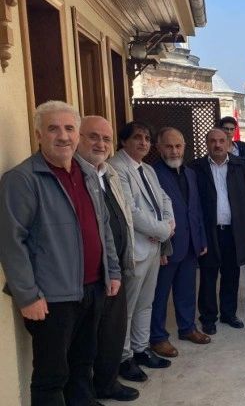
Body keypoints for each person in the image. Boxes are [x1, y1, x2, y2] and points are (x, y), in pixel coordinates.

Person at [0, 101, 121, 405]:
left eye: (69, 128)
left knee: (83, 362)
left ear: (77, 134)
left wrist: (112, 270)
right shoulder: (22, 179)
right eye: (53, 128)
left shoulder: (88, 175)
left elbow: (103, 227)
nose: (63, 136)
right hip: (52, 297)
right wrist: (27, 295)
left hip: (93, 288)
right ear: (38, 134)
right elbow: (11, 241)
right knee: (51, 375)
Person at [76, 116, 138, 402]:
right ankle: (83, 394)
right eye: (93, 137)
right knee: (85, 340)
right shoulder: (74, 174)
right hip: (87, 272)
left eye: (106, 139)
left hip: (114, 268)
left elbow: (120, 217)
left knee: (113, 331)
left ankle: (107, 383)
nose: (101, 144)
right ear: (78, 138)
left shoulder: (108, 172)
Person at [109, 121, 175, 382]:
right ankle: (123, 357)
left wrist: (167, 224)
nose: (143, 143)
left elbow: (164, 199)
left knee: (146, 303)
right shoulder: (117, 168)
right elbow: (130, 210)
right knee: (128, 307)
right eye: (137, 137)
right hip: (135, 248)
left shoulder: (147, 169)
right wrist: (163, 230)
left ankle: (140, 348)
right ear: (124, 141)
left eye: (147, 138)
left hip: (153, 245)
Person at [190, 128, 245, 334]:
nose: (217, 145)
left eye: (221, 141)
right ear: (207, 143)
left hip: (234, 231)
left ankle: (229, 314)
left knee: (232, 274)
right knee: (208, 276)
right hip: (209, 232)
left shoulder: (241, 165)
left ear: (228, 142)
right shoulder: (195, 168)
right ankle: (208, 317)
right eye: (213, 141)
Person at [150, 127, 210, 358]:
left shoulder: (190, 173)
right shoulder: (152, 174)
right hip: (168, 245)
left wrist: (201, 238)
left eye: (178, 146)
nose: (174, 151)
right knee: (160, 295)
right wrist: (161, 246)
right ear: (159, 148)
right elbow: (153, 213)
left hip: (190, 243)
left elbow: (196, 209)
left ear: (184, 147)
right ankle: (158, 337)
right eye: (168, 146)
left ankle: (187, 328)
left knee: (186, 290)